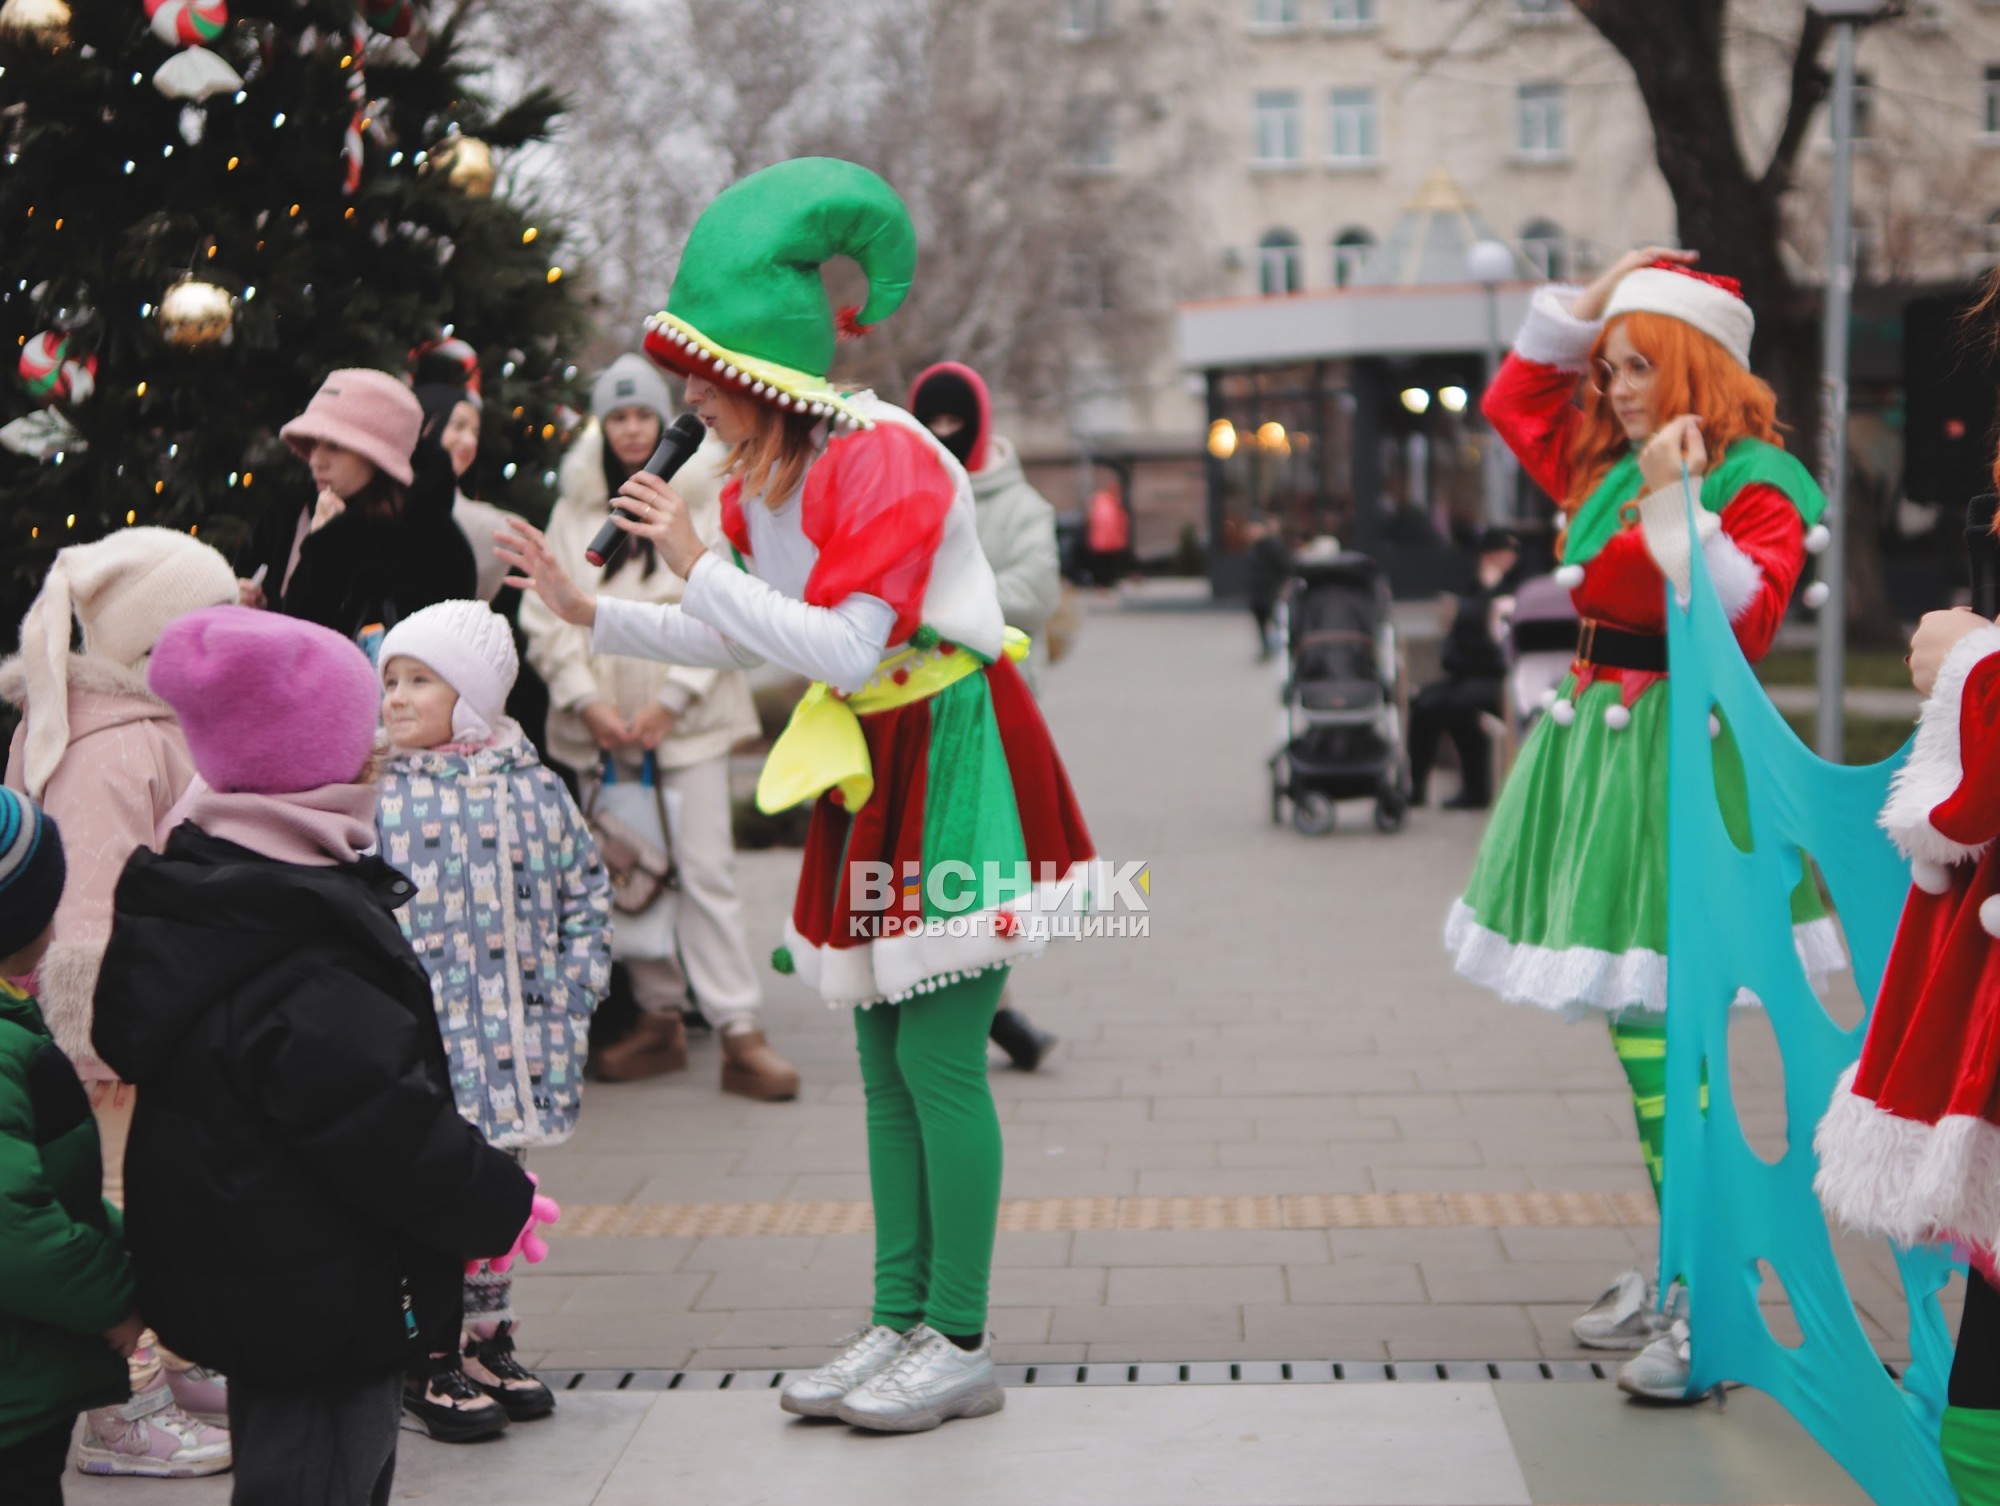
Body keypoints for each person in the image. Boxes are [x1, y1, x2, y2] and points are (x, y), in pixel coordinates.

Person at [498, 157, 1096, 1433]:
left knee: (937, 1060)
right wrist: (586, 607)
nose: (686, 405)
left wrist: (695, 556)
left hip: (951, 759)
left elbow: (842, 645)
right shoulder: (780, 474)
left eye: (700, 378)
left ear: (759, 363)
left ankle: (960, 1338)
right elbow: (742, 638)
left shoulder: (880, 457)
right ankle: (898, 1322)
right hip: (876, 765)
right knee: (884, 1065)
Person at [1443, 248, 1833, 1402]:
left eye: (1630, 364)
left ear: (1689, 363)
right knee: (1640, 1034)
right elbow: (1516, 395)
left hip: (1681, 769)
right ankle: (1681, 1267)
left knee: (1675, 1042)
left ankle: (1709, 1303)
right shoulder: (1603, 462)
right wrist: (1598, 289)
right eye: (1604, 365)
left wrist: (1675, 497)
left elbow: (1741, 618)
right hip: (1601, 759)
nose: (1607, 388)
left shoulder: (1757, 478)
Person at [90, 607, 541, 1506]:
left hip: (260, 1277)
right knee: (326, 1475)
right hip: (322, 1299)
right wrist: (497, 1200)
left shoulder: (214, 887)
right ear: (318, 761)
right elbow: (386, 1129)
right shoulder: (299, 945)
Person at [0, 529, 238, 1477]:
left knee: (125, 1199)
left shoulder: (90, 718)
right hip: (104, 1041)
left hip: (111, 1030)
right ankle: (123, 1403)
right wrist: (110, 1038)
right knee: (107, 1205)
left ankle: (158, 1365)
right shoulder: (119, 742)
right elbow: (85, 911)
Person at [519, 355, 796, 1097]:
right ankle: (659, 1016)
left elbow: (729, 599)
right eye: (620, 416)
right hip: (603, 735)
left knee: (705, 872)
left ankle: (739, 1028)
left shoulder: (702, 496)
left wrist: (670, 700)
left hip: (689, 728)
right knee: (626, 871)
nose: (635, 428)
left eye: (644, 414)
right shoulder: (579, 506)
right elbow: (547, 614)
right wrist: (587, 702)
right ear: (602, 428)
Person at [374, 599, 611, 1438]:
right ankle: (424, 1353)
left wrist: (573, 988)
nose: (394, 698)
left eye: (418, 681)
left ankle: (484, 1337)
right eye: (389, 681)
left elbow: (585, 889)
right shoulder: (379, 799)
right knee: (428, 1197)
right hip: (417, 1051)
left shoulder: (537, 790)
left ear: (470, 698)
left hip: (512, 1042)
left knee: (498, 1198)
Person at [907, 360, 1060, 1073]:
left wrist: (942, 600)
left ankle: (990, 1001)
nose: (945, 435)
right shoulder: (906, 489)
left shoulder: (1020, 505)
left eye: (955, 422)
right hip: (907, 704)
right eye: (931, 423)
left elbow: (1033, 593)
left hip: (997, 708)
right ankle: (955, 995)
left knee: (990, 860)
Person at [0, 788, 150, 1505]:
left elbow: (56, 1197)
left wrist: (135, 1248)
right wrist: (116, 1298)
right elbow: (14, 1227)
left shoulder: (12, 1024)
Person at [237, 369, 478, 642]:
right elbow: (250, 580)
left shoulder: (431, 545)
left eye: (336, 446)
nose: (317, 460)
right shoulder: (288, 512)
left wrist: (323, 546)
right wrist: (240, 604)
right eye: (314, 442)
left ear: (378, 457)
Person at [1409, 527, 1521, 811]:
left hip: (1497, 676)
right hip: (1466, 672)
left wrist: (1490, 591)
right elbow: (1461, 633)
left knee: (1461, 706)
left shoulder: (1514, 587)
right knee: (1424, 703)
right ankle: (1415, 786)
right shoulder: (1473, 587)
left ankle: (1476, 789)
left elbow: (1495, 635)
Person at [1245, 518, 1290, 661]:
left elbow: (1285, 568)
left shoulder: (1273, 546)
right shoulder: (1254, 547)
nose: (1252, 532)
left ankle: (1278, 649)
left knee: (1276, 622)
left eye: (1255, 528)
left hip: (1271, 591)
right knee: (1261, 622)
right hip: (1257, 592)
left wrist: (1282, 588)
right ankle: (1266, 648)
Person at [1085, 484, 1130, 588]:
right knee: (1105, 564)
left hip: (1106, 540)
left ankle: (1105, 583)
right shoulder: (1110, 504)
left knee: (1106, 564)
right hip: (1106, 540)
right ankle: (1103, 583)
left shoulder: (1105, 503)